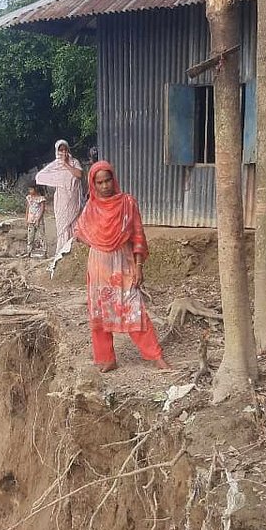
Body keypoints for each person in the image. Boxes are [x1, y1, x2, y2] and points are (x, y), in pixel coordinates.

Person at [73, 161, 171, 372]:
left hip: (123, 264)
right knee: (99, 313)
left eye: (108, 180)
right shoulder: (91, 207)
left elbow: (137, 235)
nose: (105, 186)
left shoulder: (127, 203)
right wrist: (96, 240)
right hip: (99, 265)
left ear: (113, 179)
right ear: (93, 184)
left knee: (134, 309)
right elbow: (79, 232)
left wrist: (138, 266)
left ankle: (155, 355)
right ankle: (107, 358)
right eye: (99, 182)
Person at [33, 140, 85, 257]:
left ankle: (74, 251)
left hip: (73, 199)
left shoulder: (74, 162)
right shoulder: (55, 165)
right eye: (61, 150)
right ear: (57, 151)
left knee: (74, 224)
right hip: (61, 200)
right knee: (63, 227)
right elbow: (39, 176)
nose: (63, 152)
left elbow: (79, 175)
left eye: (65, 149)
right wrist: (58, 180)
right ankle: (62, 252)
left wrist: (66, 164)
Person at [23, 184, 46, 257]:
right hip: (30, 219)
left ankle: (44, 252)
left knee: (41, 236)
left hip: (38, 220)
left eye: (31, 189)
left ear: (36, 189)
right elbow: (27, 208)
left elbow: (42, 210)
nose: (29, 191)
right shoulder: (29, 198)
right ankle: (29, 251)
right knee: (30, 236)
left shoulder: (41, 198)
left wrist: (38, 219)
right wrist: (26, 218)